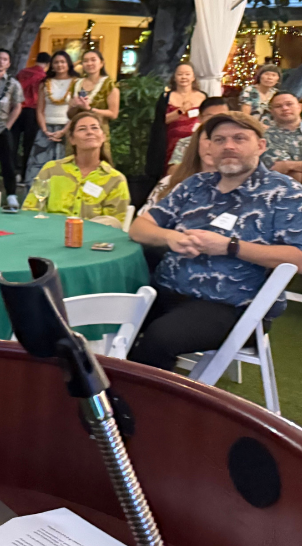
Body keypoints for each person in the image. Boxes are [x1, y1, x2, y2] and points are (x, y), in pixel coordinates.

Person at [128, 112, 302, 371]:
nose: (228, 146)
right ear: (209, 147)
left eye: (239, 138)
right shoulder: (195, 185)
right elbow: (139, 228)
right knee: (106, 316)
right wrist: (170, 236)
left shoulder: (285, 193)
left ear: (261, 145)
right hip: (167, 289)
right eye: (219, 140)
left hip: (233, 306)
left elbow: (297, 259)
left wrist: (230, 246)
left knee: (159, 339)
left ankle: (145, 406)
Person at [21, 111, 130, 223]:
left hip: (93, 239)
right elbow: (30, 211)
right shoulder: (51, 170)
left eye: (95, 128)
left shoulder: (115, 180)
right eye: (82, 129)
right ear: (72, 139)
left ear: (103, 137)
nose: (89, 132)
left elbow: (114, 225)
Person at [144, 117, 217, 215]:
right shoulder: (169, 183)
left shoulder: (241, 190)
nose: (213, 145)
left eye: (220, 140)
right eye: (208, 138)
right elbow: (142, 225)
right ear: (197, 142)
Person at [24, 50, 75, 184]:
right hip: (46, 129)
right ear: (51, 65)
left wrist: (64, 131)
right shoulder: (44, 83)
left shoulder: (76, 83)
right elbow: (40, 110)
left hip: (67, 128)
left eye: (63, 62)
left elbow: (76, 110)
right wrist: (45, 130)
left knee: (65, 167)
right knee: (38, 167)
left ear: (68, 64)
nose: (60, 65)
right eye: (56, 62)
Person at [0, 48, 24, 209]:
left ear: (8, 64)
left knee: (8, 162)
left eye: (5, 59)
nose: (1, 62)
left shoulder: (13, 84)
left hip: (2, 126)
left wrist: (8, 124)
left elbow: (17, 106)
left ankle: (11, 195)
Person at [71, 49, 119, 158]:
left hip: (98, 129)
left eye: (93, 60)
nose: (89, 63)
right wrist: (74, 105)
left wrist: (89, 109)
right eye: (86, 61)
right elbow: (69, 114)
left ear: (101, 63)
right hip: (77, 129)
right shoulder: (76, 84)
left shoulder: (109, 85)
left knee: (98, 161)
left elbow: (113, 114)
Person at [167, 97, 230, 167]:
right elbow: (172, 170)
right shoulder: (185, 143)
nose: (216, 120)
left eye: (222, 116)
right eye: (210, 116)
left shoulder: (233, 143)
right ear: (200, 118)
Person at [14, 51, 51, 172]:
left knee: (14, 142)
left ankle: (13, 169)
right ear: (47, 63)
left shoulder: (23, 72)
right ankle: (25, 171)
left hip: (17, 109)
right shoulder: (43, 77)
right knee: (28, 143)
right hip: (33, 111)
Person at [163, 63, 206, 163]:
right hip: (173, 142)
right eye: (180, 74)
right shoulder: (167, 97)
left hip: (196, 141)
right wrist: (180, 110)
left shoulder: (202, 96)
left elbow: (207, 117)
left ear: (193, 77)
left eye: (187, 74)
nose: (184, 77)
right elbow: (162, 120)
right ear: (174, 77)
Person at [264, 92, 302, 180]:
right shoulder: (267, 137)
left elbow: (286, 166)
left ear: (299, 107)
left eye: (289, 104)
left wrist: (289, 165)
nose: (285, 108)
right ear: (271, 111)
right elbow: (288, 174)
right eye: (278, 106)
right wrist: (287, 167)